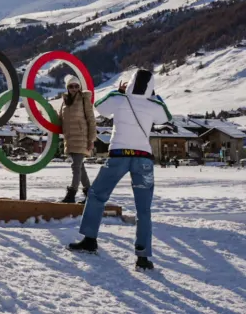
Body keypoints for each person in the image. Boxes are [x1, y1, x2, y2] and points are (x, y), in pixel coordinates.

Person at [68, 68, 171, 272]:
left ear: (130, 83)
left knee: (97, 195)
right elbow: (165, 117)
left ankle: (89, 240)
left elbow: (99, 107)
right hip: (143, 160)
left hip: (119, 156)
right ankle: (142, 258)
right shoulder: (154, 104)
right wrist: (153, 95)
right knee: (143, 209)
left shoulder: (119, 99)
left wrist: (120, 91)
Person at [58, 75, 96, 204]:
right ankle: (89, 194)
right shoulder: (65, 101)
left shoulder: (84, 99)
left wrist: (91, 140)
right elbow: (60, 119)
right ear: (67, 88)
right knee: (80, 168)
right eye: (71, 86)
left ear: (79, 87)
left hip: (81, 138)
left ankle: (71, 194)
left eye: (76, 86)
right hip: (69, 138)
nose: (74, 88)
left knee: (76, 166)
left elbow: (91, 119)